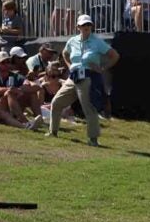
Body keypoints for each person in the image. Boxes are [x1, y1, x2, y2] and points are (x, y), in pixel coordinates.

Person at [48, 14, 119, 147]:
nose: (86, 27)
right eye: (83, 25)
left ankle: (93, 139)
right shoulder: (72, 40)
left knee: (89, 108)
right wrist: (70, 66)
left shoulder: (97, 42)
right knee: (56, 102)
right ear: (78, 27)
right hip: (73, 77)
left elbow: (114, 55)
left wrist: (103, 68)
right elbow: (65, 53)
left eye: (88, 25)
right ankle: (53, 131)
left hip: (87, 77)